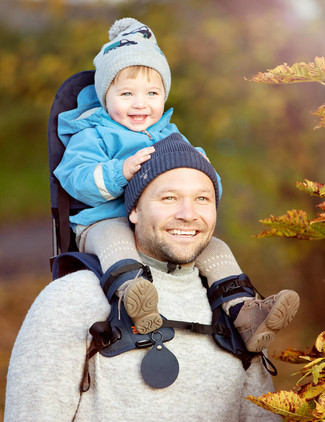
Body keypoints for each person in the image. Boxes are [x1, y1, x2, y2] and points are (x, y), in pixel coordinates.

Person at [0, 135, 295, 422]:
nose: (188, 213)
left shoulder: (238, 311)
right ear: (134, 210)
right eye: (168, 198)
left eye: (202, 199)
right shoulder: (72, 299)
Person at [54, 17, 299, 350]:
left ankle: (245, 312)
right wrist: (119, 171)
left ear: (163, 95)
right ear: (105, 96)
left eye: (152, 93)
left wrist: (205, 178)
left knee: (215, 247)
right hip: (102, 220)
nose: (140, 103)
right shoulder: (93, 134)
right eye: (126, 93)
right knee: (114, 238)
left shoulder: (171, 135)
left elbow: (206, 193)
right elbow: (74, 179)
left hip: (160, 222)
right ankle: (133, 297)